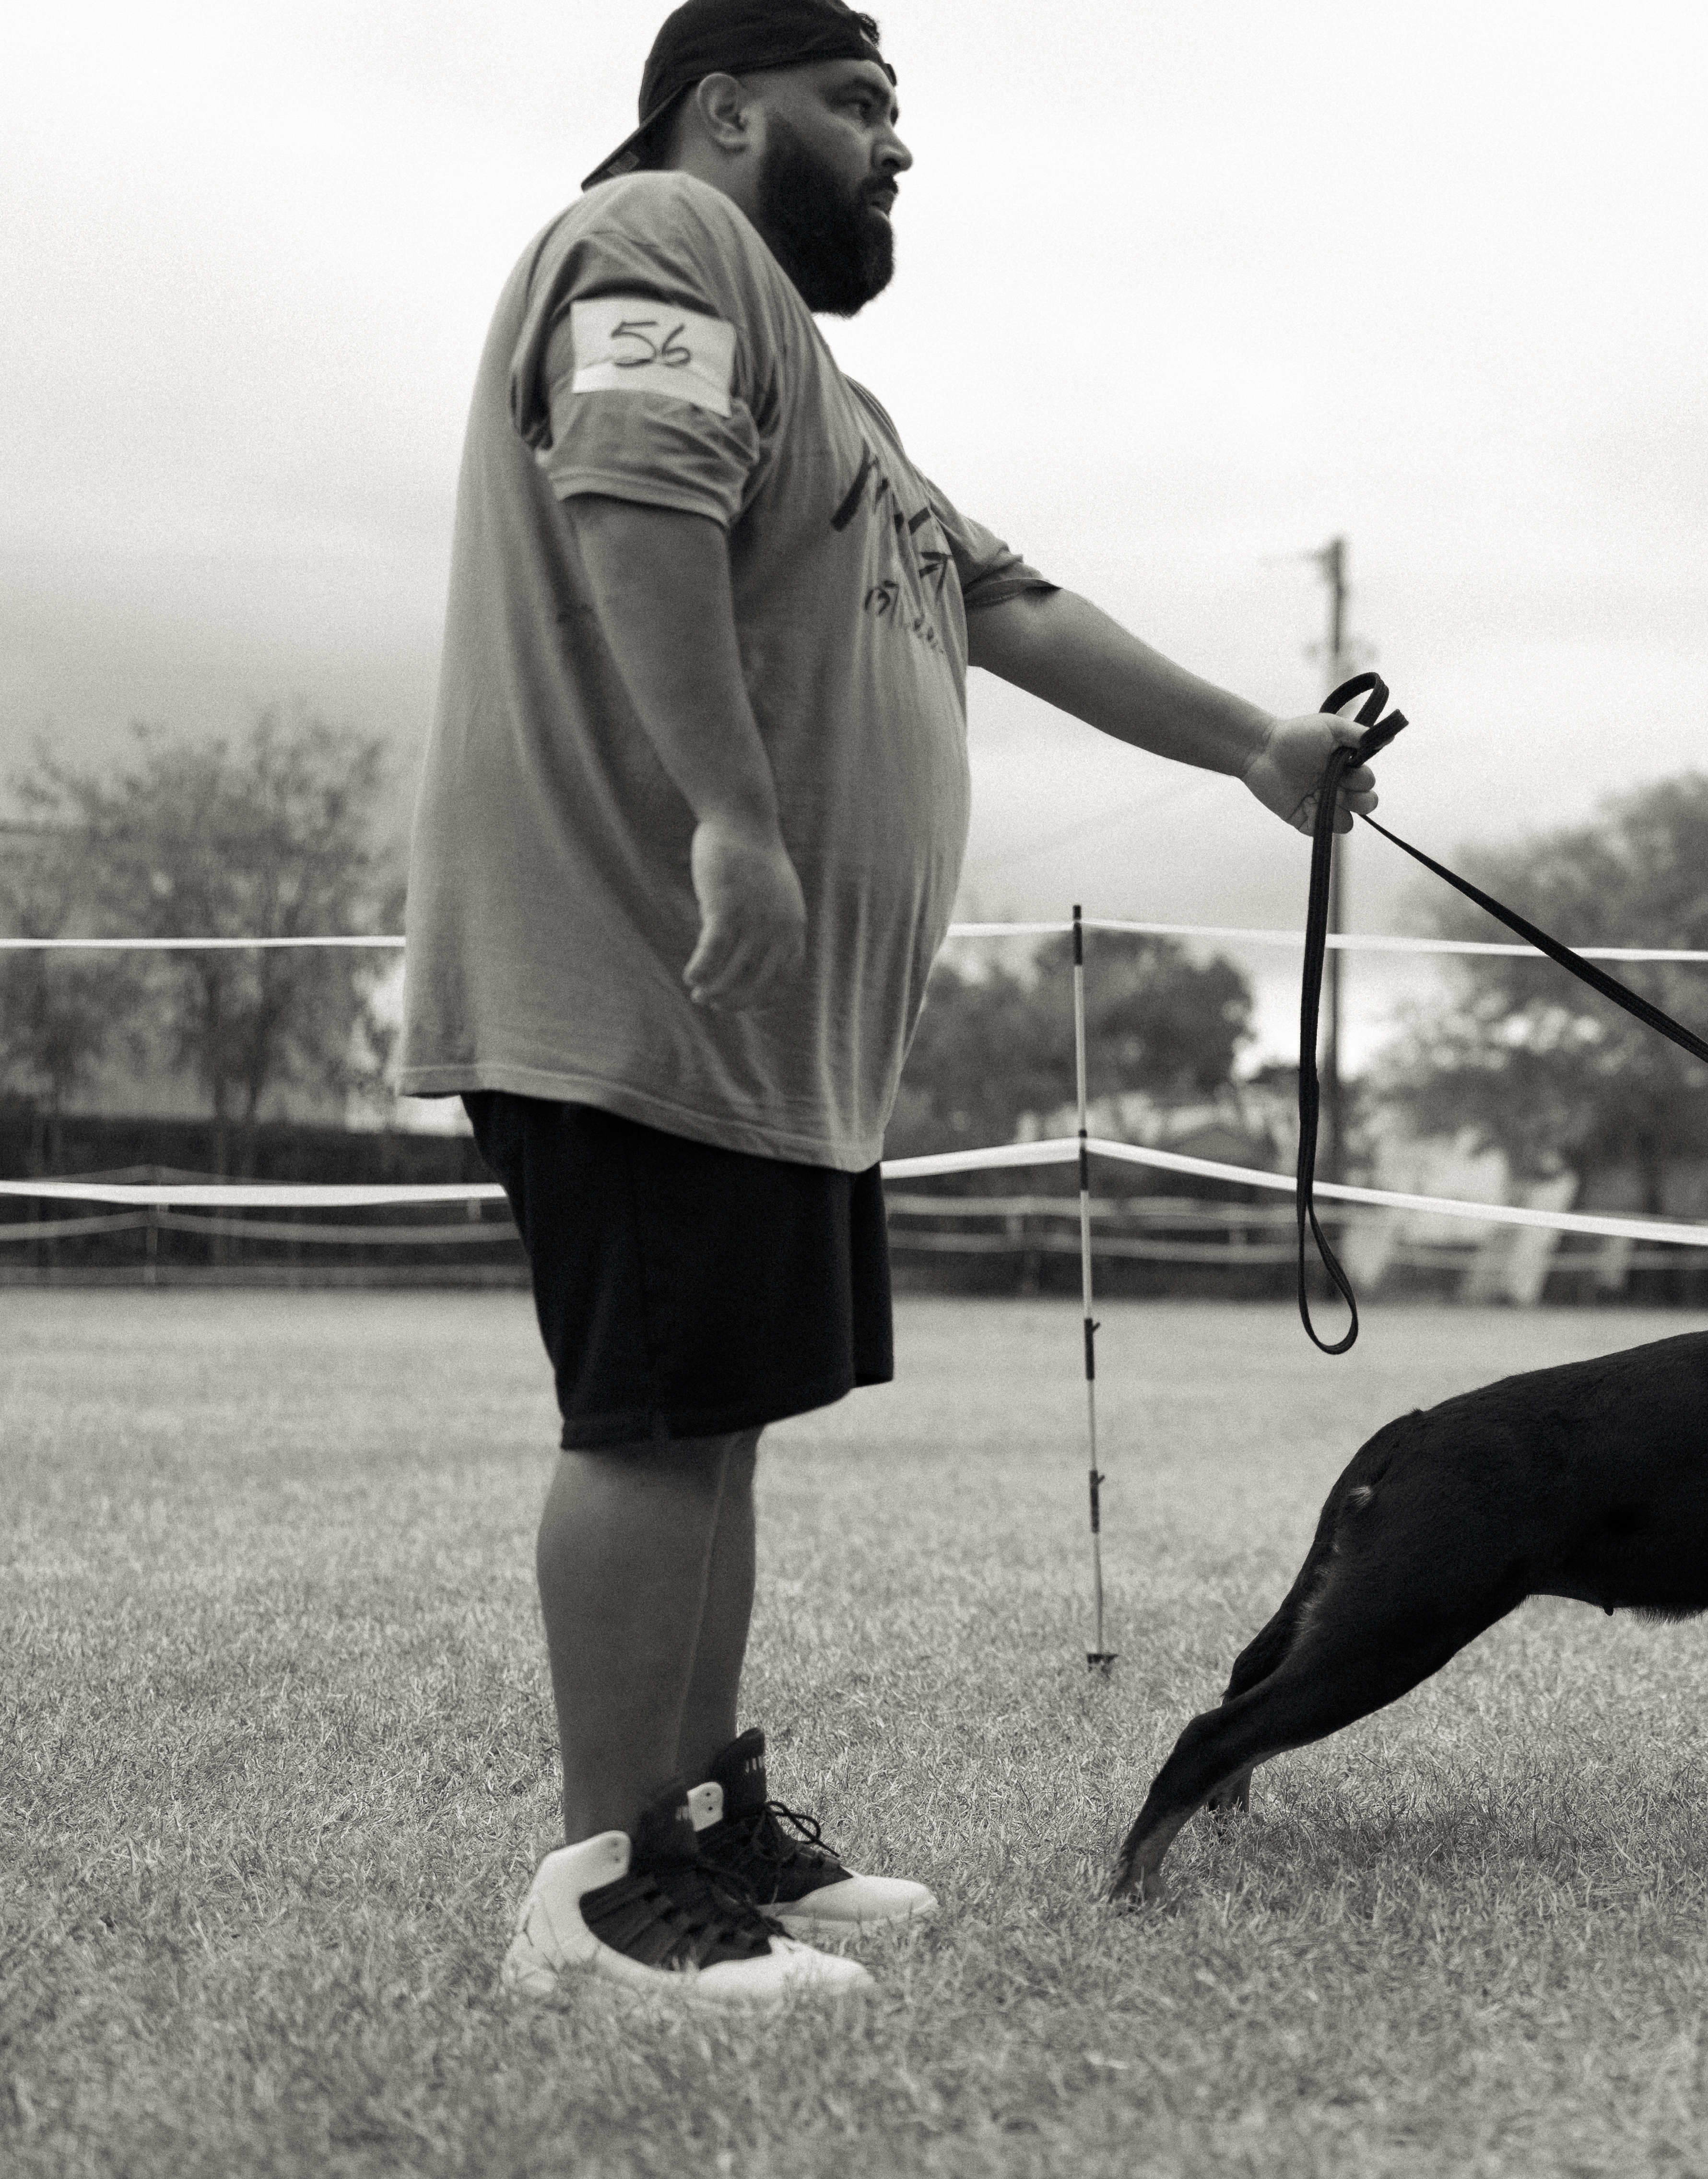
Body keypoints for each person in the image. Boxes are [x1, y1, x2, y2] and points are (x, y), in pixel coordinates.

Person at [399, 0, 1378, 2009]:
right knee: (651, 1421)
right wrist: (738, 826)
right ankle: (593, 1898)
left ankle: (689, 1823)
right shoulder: (657, 249)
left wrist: (1255, 749)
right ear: (724, 109)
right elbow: (638, 497)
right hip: (638, 974)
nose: (893, 148)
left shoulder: (837, 392)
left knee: (721, 1419)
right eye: (858, 107)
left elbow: (1003, 599)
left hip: (775, 1044)